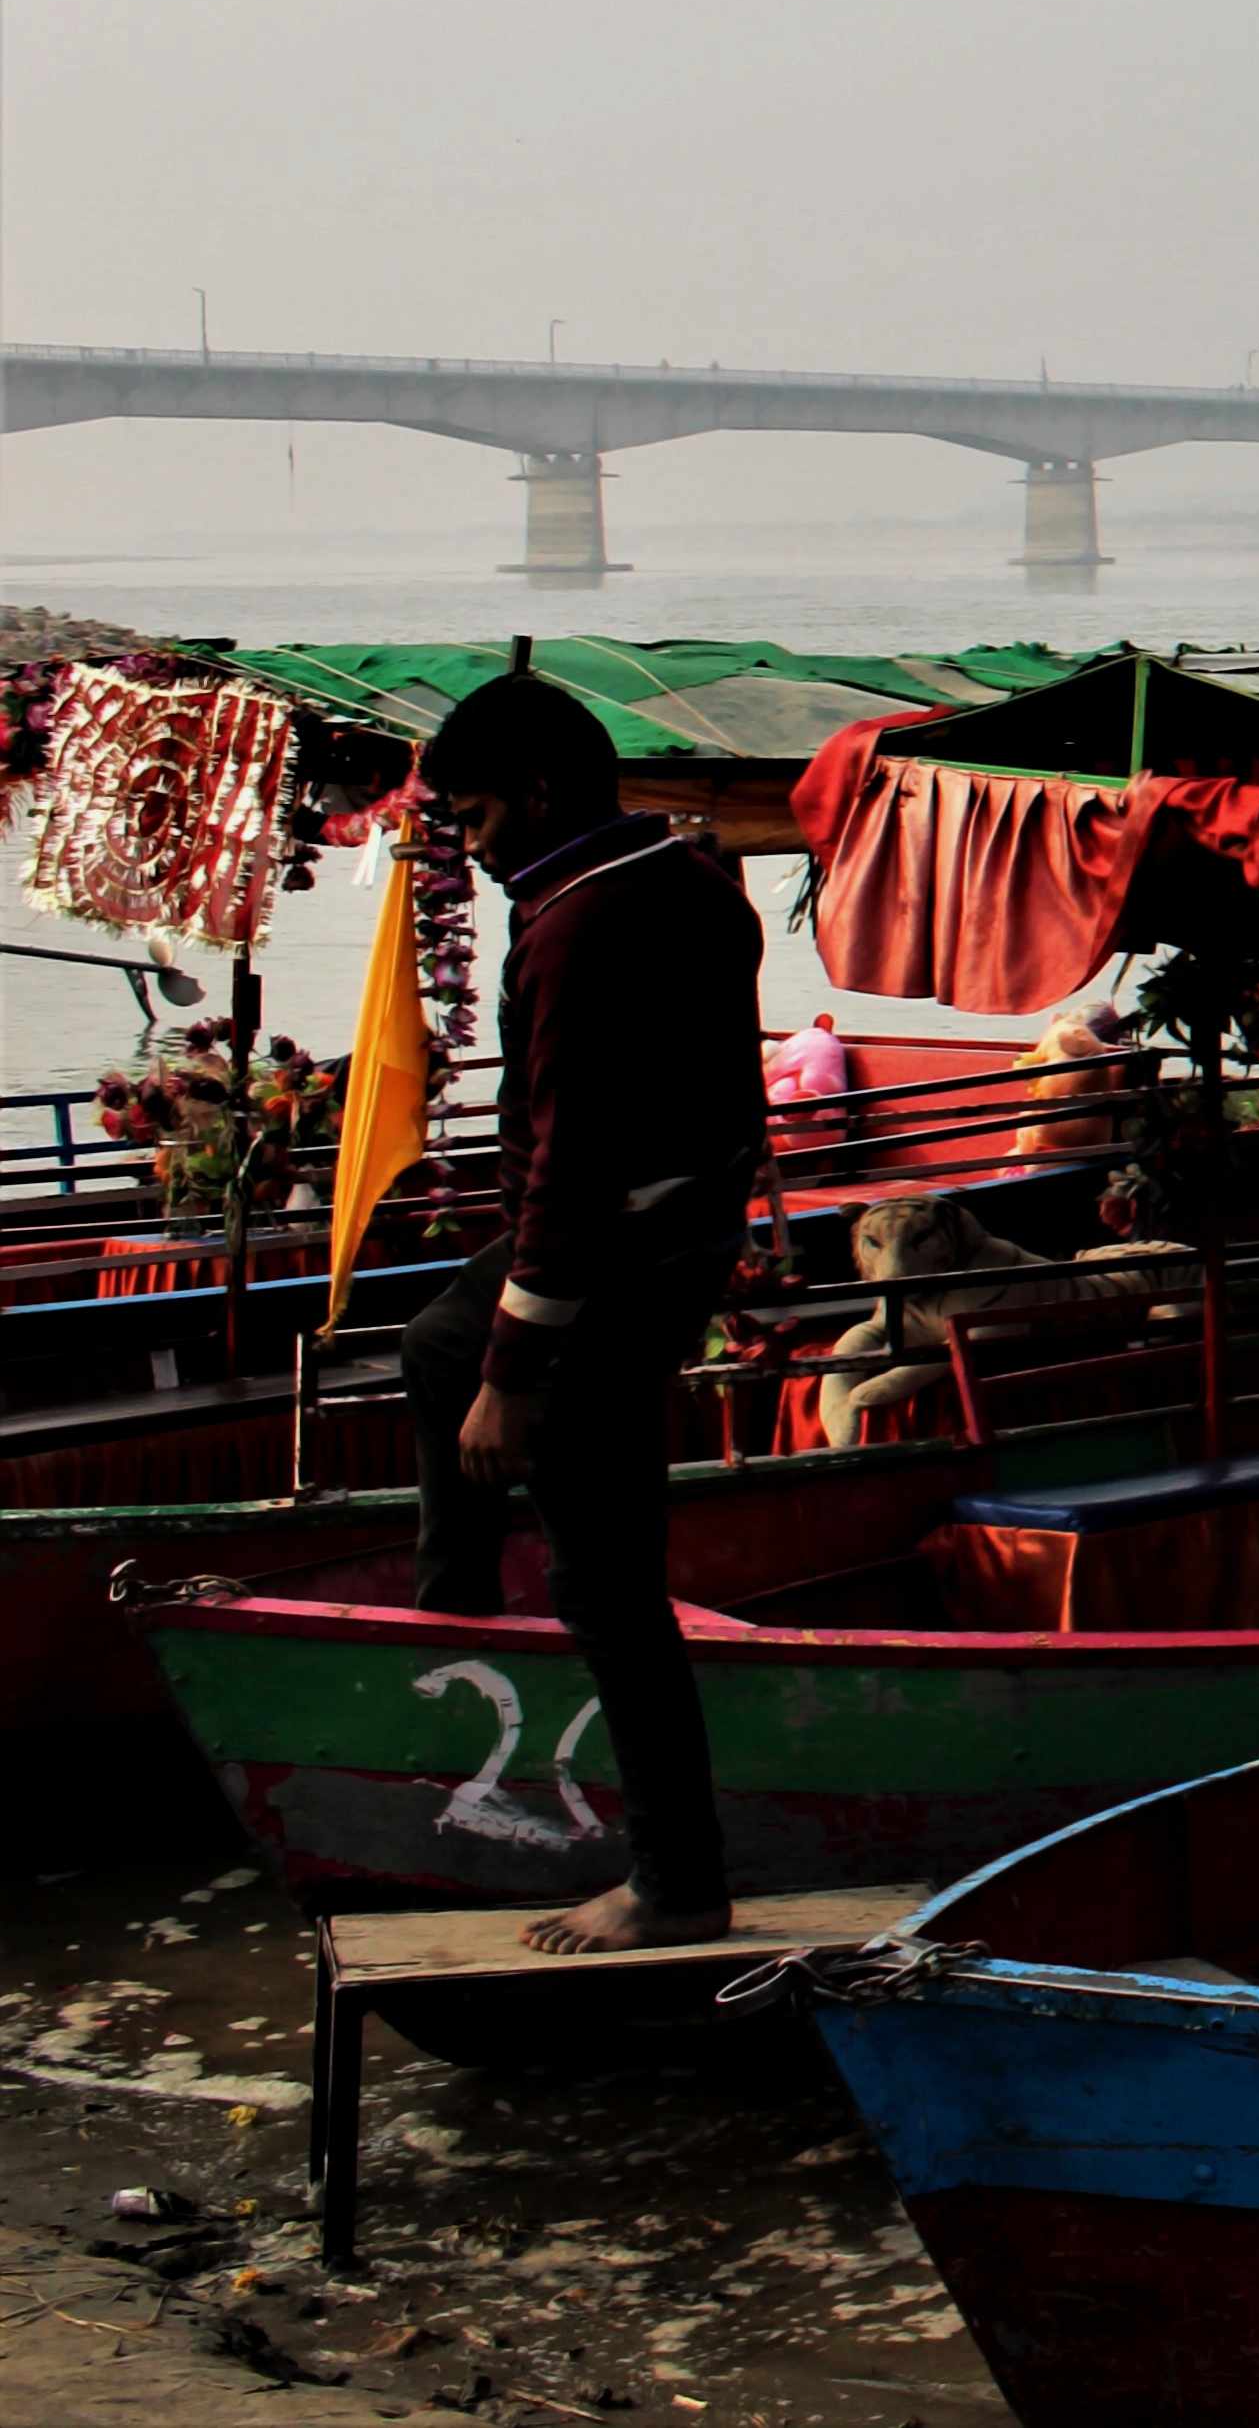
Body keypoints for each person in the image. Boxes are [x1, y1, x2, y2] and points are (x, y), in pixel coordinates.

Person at [405, 669, 769, 1953]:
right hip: (677, 1223)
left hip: (617, 1255)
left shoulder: (575, 925)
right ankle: (452, 1590)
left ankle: (674, 1881)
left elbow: (568, 1167)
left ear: (540, 794)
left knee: (610, 1587)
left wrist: (516, 1373)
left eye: (476, 815)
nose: (469, 841)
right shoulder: (693, 883)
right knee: (434, 1342)